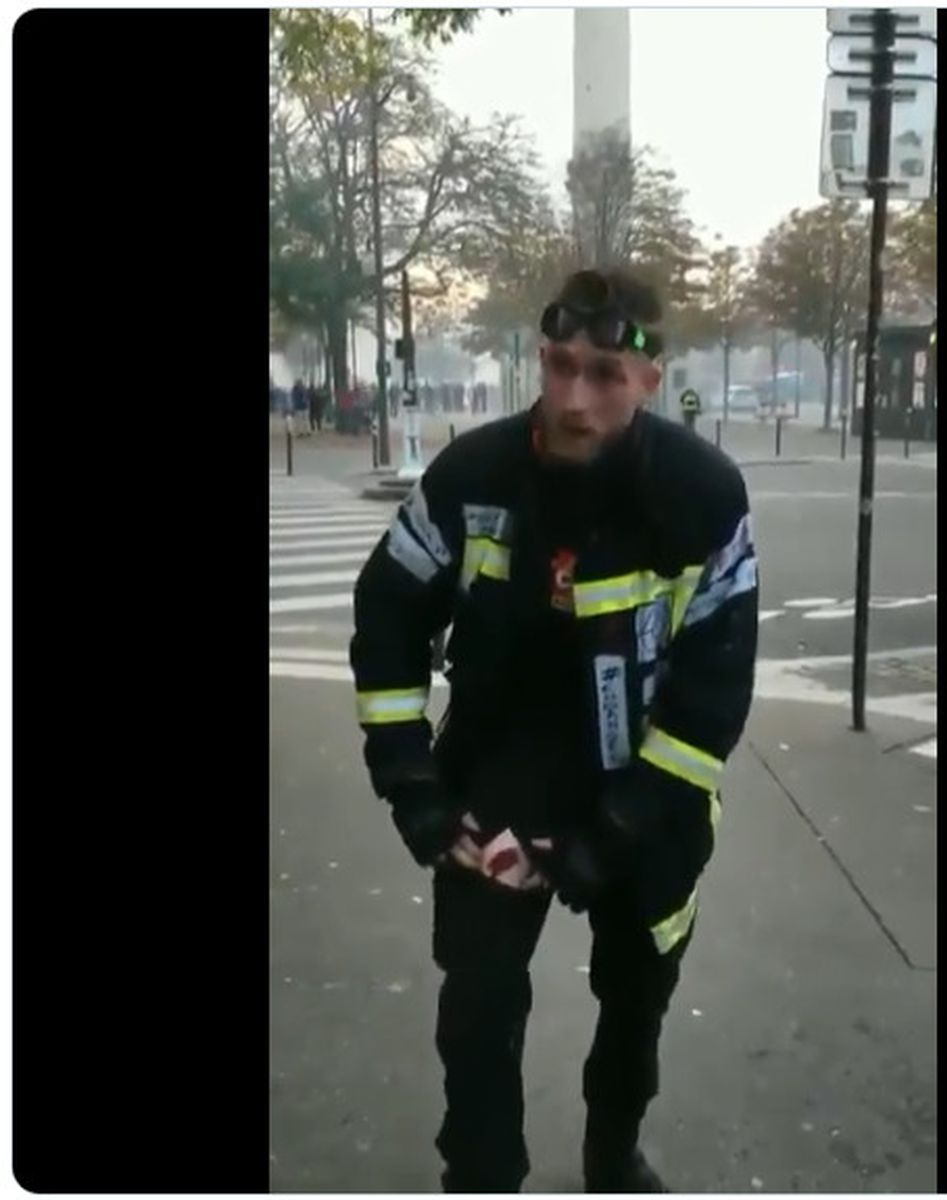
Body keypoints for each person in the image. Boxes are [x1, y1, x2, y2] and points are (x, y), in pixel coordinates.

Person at [350, 268, 758, 1193]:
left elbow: (713, 688)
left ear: (651, 380)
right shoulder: (471, 475)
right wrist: (409, 780)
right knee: (478, 1014)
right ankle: (483, 1175)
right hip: (497, 780)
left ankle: (612, 1160)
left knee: (635, 1007)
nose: (574, 399)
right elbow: (388, 617)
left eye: (606, 374)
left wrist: (618, 830)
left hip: (648, 799)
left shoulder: (703, 496)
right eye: (560, 366)